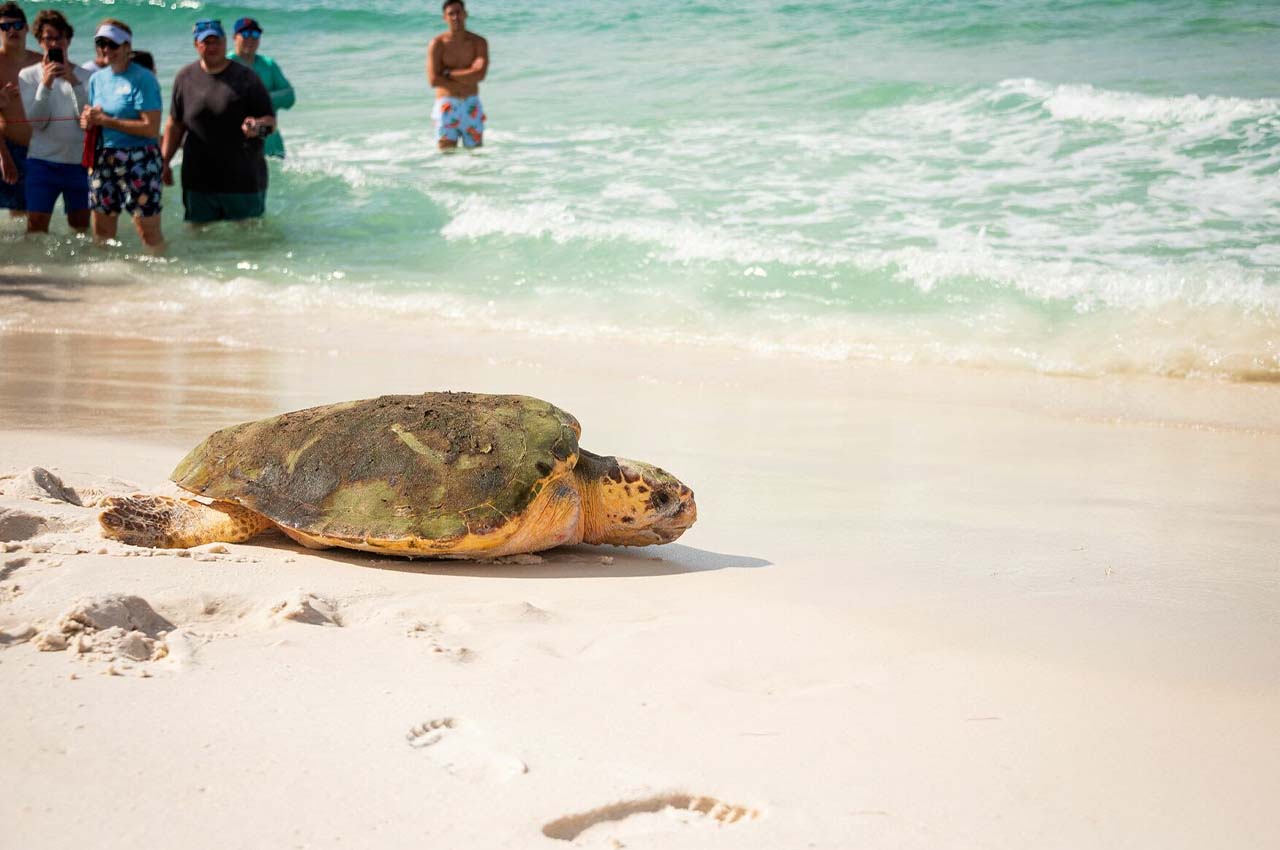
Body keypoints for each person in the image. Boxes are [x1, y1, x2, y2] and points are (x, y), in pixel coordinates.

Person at [161, 19, 274, 224]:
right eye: (206, 42)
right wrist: (164, 161)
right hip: (198, 181)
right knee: (200, 241)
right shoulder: (184, 77)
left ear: (225, 42)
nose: (212, 47)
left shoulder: (247, 78)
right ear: (196, 45)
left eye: (217, 41)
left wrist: (257, 127)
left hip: (243, 180)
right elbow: (175, 124)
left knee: (250, 244)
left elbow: (270, 123)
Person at [81, 19, 165, 251]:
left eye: (113, 44)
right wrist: (88, 121)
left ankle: (160, 278)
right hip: (103, 157)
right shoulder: (97, 79)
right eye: (101, 44)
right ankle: (108, 282)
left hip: (140, 158)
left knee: (147, 232)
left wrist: (107, 121)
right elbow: (96, 121)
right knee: (102, 231)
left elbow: (150, 128)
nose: (106, 49)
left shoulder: (144, 78)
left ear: (128, 46)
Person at [18, 9, 92, 233]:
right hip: (42, 162)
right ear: (40, 42)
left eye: (59, 37)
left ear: (68, 40)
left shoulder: (86, 77)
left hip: (78, 163)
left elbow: (85, 122)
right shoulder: (28, 75)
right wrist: (46, 84)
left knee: (80, 229)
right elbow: (38, 122)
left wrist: (73, 82)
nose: (54, 43)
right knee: (36, 228)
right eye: (48, 38)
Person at [426, 0, 488, 150]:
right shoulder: (437, 44)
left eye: (458, 12)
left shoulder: (478, 42)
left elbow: (480, 75)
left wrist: (447, 73)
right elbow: (433, 80)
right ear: (444, 18)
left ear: (465, 14)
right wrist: (467, 77)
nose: (455, 17)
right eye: (450, 14)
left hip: (471, 104)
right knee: (446, 154)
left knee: (476, 155)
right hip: (447, 105)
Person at [228, 17, 293, 159]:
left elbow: (289, 97)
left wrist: (265, 99)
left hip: (270, 140)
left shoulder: (268, 65)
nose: (251, 39)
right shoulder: (226, 65)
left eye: (255, 35)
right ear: (234, 37)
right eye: (245, 34)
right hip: (240, 141)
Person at [0, 1, 39, 215]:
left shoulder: (40, 61)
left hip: (42, 150)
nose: (11, 31)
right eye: (4, 27)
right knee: (17, 213)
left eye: (16, 25)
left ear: (26, 28)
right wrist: (3, 157)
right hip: (9, 148)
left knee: (37, 212)